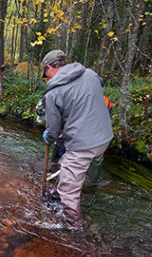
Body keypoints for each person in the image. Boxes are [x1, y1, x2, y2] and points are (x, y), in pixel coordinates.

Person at [39, 50, 113, 231]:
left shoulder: (53, 93)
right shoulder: (90, 74)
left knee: (69, 191)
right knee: (67, 165)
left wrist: (48, 137)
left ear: (49, 68)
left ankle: (76, 229)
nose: (46, 78)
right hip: (104, 137)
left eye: (45, 74)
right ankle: (55, 195)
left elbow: (53, 129)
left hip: (83, 144)